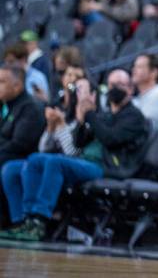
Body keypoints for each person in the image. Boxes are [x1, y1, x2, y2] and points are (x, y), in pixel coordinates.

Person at [0, 78, 104, 242]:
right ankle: (20, 220)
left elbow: (72, 153)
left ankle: (37, 219)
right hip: (57, 161)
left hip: (86, 164)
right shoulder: (68, 115)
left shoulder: (97, 119)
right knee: (13, 167)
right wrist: (50, 128)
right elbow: (43, 149)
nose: (74, 92)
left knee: (51, 162)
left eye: (80, 89)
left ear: (93, 95)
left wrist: (62, 126)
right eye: (73, 89)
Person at [0, 66, 45, 172]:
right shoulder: (5, 103)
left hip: (21, 159)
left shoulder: (30, 107)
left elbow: (19, 144)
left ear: (17, 86)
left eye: (1, 82)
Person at [131, 54, 158, 132]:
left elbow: (141, 126)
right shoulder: (136, 97)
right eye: (134, 66)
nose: (134, 70)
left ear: (154, 72)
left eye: (139, 67)